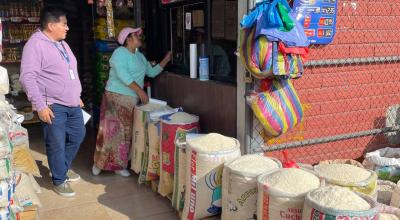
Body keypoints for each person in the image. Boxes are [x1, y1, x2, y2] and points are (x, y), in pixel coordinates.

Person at [20, 6, 85, 197]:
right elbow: (27, 77)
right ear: (51, 25)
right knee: (56, 142)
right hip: (52, 104)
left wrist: (76, 95)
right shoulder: (35, 45)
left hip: (72, 103)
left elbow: (68, 71)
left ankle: (61, 167)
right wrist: (40, 105)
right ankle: (59, 179)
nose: (67, 28)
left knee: (78, 134)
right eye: (64, 24)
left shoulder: (61, 43)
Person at [92, 27, 172, 177]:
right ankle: (99, 163)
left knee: (124, 134)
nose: (140, 37)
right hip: (115, 97)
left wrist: (166, 59)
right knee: (109, 132)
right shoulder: (119, 53)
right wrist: (140, 91)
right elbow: (123, 75)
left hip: (130, 101)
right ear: (128, 39)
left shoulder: (140, 56)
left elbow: (151, 72)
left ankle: (118, 165)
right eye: (136, 35)